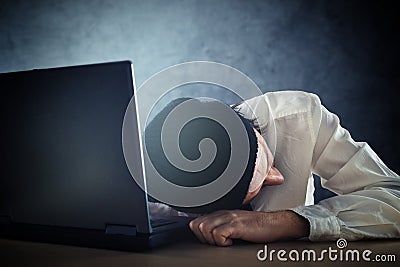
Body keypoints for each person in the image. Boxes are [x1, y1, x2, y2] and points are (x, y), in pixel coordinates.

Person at [145, 90, 400, 246]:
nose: (279, 178)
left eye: (268, 160)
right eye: (256, 189)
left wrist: (290, 222)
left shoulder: (299, 117)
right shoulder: (153, 187)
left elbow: (395, 200)